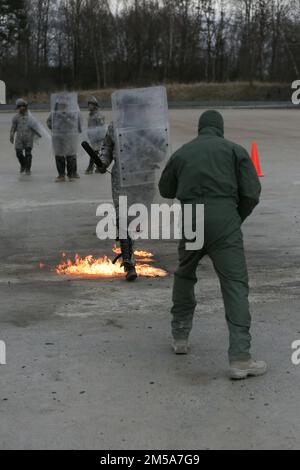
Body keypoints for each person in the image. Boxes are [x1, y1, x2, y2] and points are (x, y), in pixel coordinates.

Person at [159, 110, 267, 380]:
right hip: (225, 221)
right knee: (234, 285)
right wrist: (233, 218)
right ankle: (240, 358)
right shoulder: (235, 150)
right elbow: (251, 193)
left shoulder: (183, 153)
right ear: (220, 128)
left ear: (200, 128)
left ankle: (180, 337)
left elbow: (166, 189)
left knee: (185, 274)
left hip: (192, 220)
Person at [47, 93, 82, 182]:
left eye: (64, 104)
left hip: (70, 136)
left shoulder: (73, 112)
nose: (62, 106)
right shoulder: (54, 113)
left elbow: (78, 122)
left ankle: (71, 174)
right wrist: (55, 130)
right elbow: (49, 122)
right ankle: (61, 175)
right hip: (58, 137)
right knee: (59, 156)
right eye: (61, 104)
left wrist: (66, 118)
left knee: (70, 155)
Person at [10, 99, 41, 175]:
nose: (21, 108)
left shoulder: (31, 117)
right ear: (18, 107)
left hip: (29, 138)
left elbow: (35, 127)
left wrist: (38, 135)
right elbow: (13, 128)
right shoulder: (16, 117)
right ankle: (23, 164)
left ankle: (28, 169)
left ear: (26, 107)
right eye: (20, 106)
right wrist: (11, 135)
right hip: (19, 138)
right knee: (18, 153)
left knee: (28, 154)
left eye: (23, 106)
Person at [85, 96, 106, 174]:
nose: (89, 106)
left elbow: (101, 127)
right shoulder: (91, 114)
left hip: (98, 137)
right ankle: (99, 167)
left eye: (91, 104)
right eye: (88, 104)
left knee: (94, 152)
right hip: (92, 137)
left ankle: (91, 167)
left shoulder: (98, 115)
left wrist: (99, 136)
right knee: (96, 152)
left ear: (95, 105)